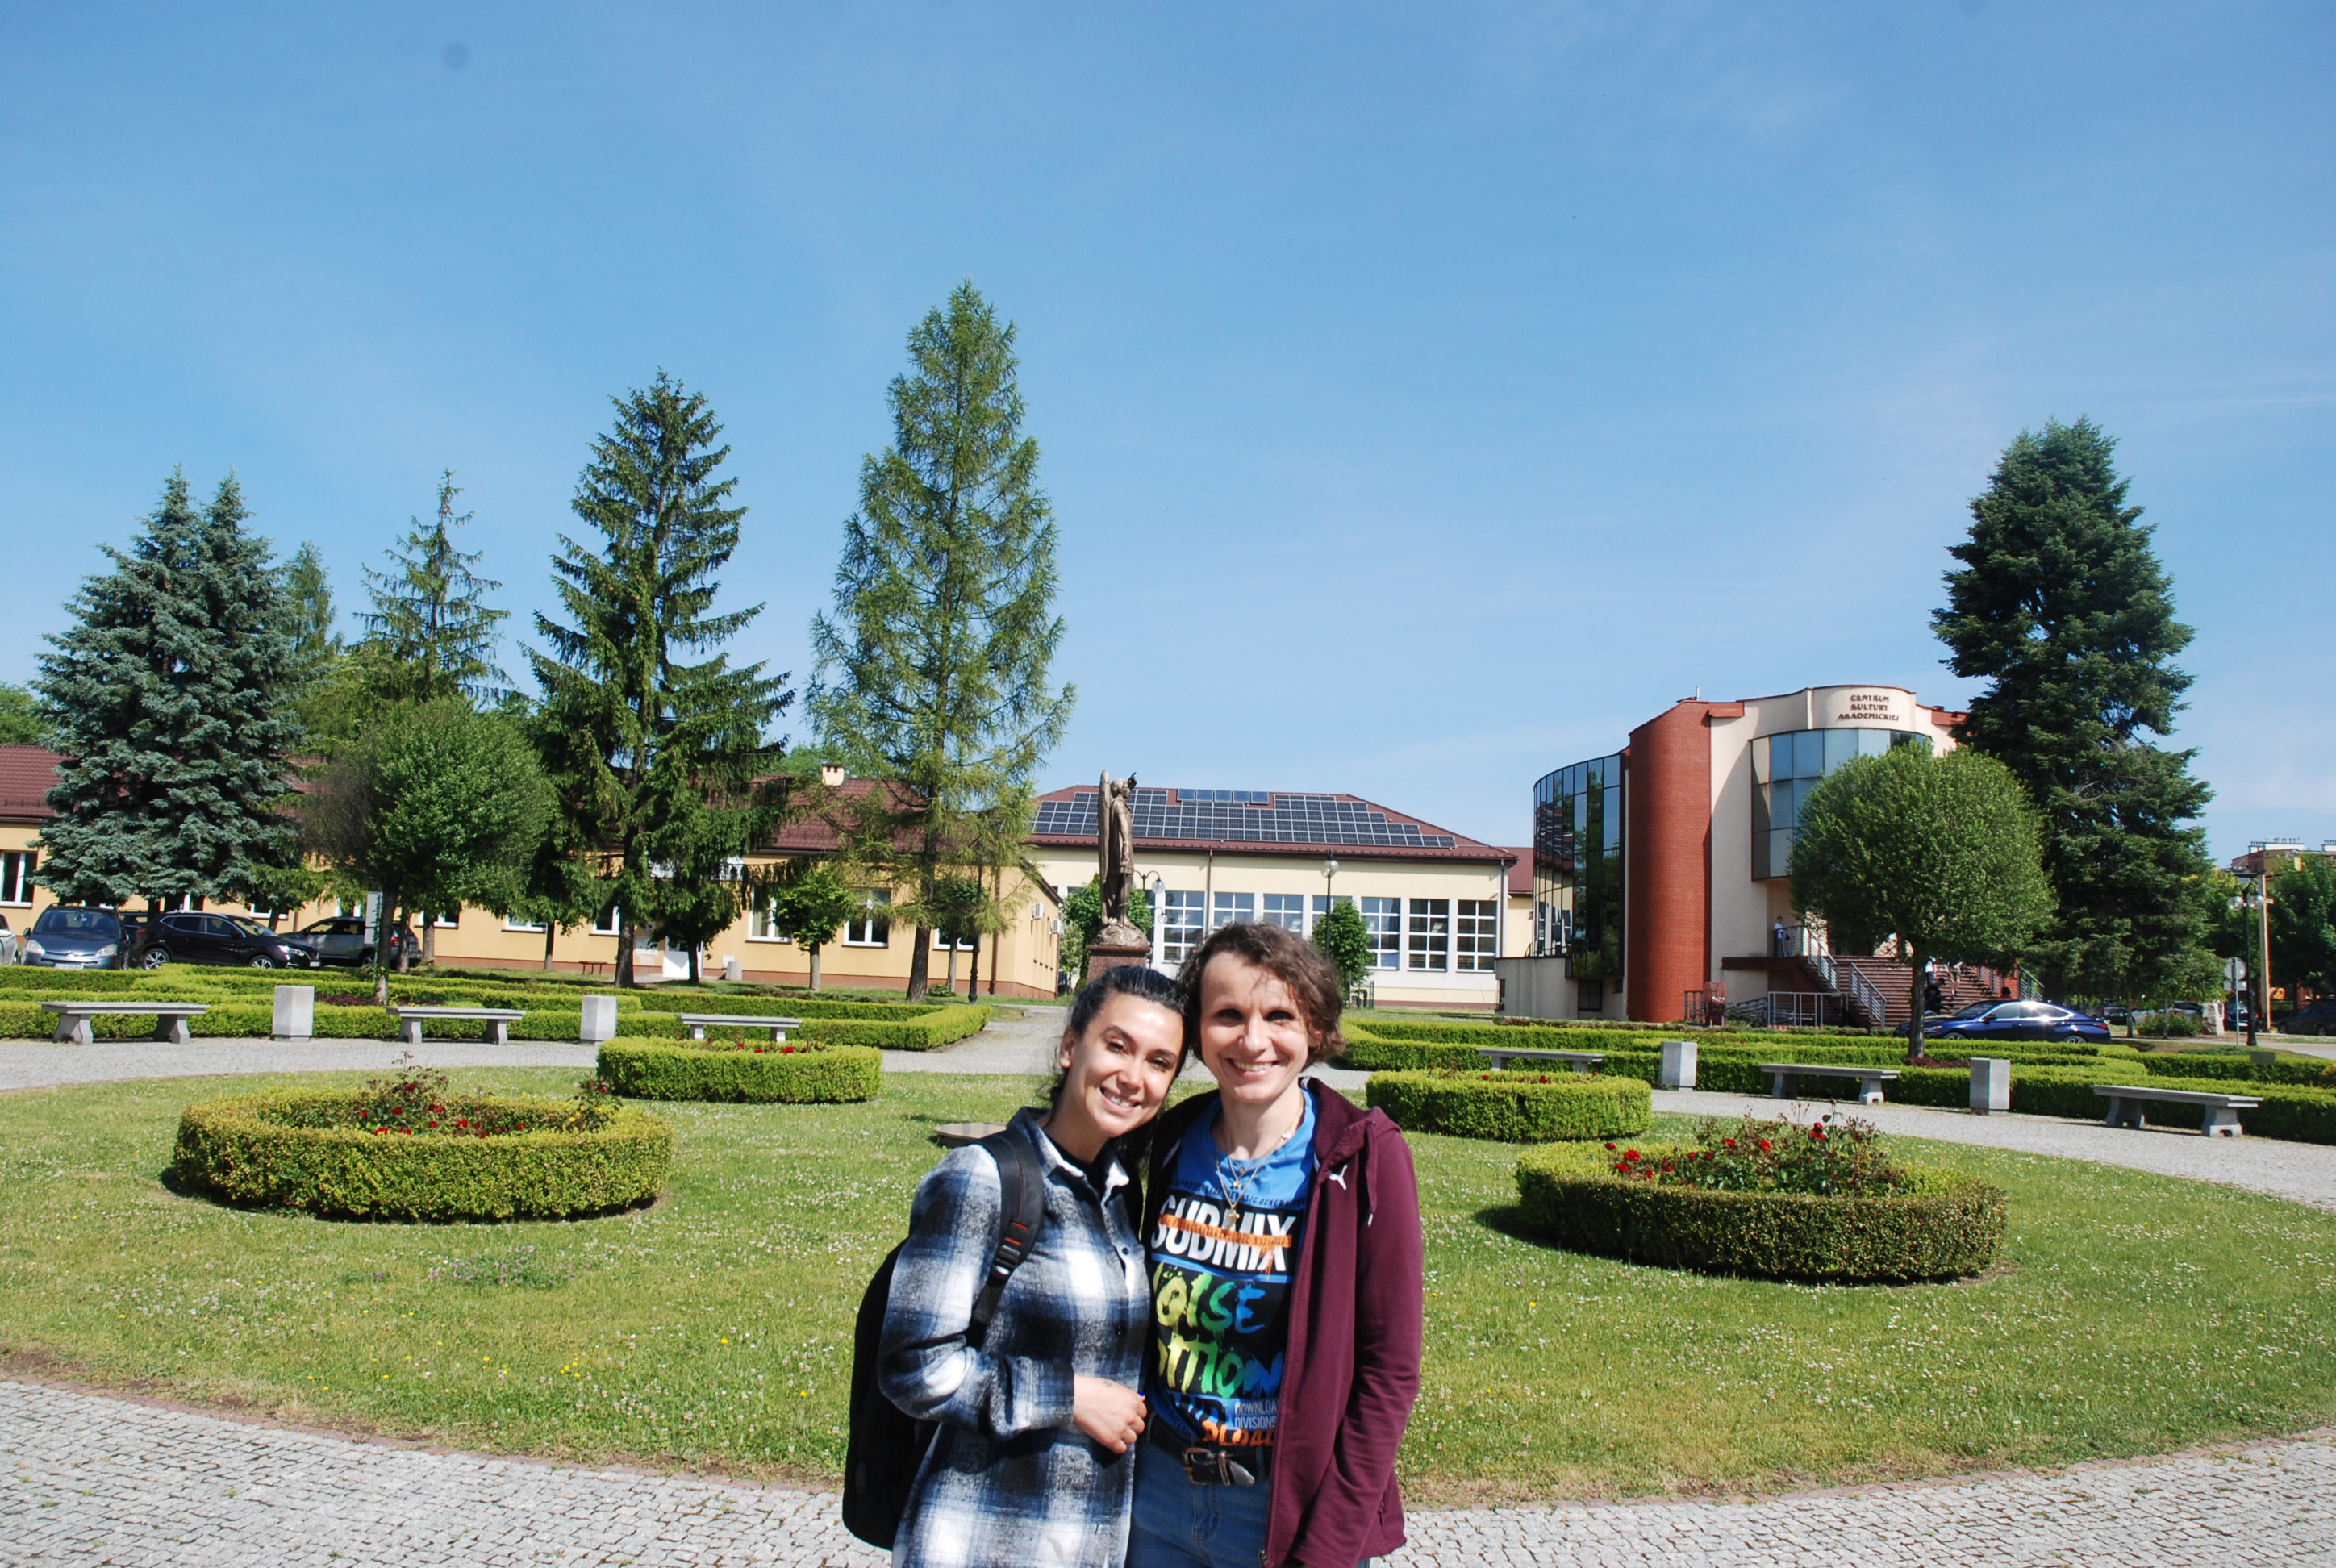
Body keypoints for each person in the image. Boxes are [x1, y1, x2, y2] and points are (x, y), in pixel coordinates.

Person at [1130, 922, 1424, 1568]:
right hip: (1155, 1500)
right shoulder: (1174, 1136)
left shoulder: (1364, 1155)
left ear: (1314, 1028)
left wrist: (1327, 1548)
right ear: (1197, 1030)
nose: (1253, 1040)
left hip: (1283, 1510)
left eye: (1279, 1016)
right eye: (1228, 1015)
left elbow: (1390, 1372)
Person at [879, 965, 1187, 1568]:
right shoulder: (982, 1179)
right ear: (1071, 1047)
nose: (1133, 1076)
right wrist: (1067, 1396)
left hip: (1083, 1542)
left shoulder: (1120, 1195)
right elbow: (913, 1368)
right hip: (979, 1538)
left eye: (1159, 1062)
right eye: (1117, 1046)